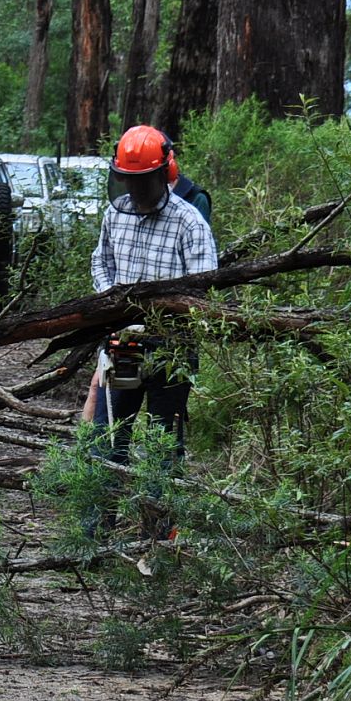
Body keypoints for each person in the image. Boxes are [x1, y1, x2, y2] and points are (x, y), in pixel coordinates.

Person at [85, 125, 218, 465]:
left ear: (163, 173)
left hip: (171, 350)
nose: (135, 187)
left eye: (143, 179)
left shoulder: (189, 222)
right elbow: (101, 262)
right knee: (109, 437)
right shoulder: (116, 214)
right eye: (129, 179)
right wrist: (111, 302)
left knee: (164, 445)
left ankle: (159, 518)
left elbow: (201, 287)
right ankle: (99, 518)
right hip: (123, 345)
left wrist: (165, 315)